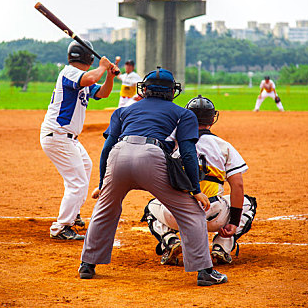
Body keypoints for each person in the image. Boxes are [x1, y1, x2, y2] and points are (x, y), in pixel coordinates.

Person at [79, 68, 228, 287]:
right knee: (191, 211)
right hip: (152, 157)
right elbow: (187, 153)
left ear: (145, 89)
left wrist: (102, 184)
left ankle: (87, 265)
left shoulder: (123, 111)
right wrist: (195, 190)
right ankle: (204, 272)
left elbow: (107, 148)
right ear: (171, 91)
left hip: (119, 155)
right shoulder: (183, 114)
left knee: (105, 208)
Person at [142, 95, 257, 266]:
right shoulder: (223, 145)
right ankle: (222, 246)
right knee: (249, 203)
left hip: (177, 214)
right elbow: (237, 186)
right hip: (213, 214)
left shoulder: (173, 144)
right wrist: (233, 222)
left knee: (151, 207)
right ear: (212, 119)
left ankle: (170, 241)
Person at [40, 40, 119, 240]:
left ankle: (73, 214)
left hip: (68, 138)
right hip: (58, 135)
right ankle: (60, 227)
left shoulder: (82, 78)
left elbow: (103, 92)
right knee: (78, 182)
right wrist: (102, 66)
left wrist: (108, 76)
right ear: (88, 58)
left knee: (85, 167)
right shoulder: (69, 73)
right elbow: (90, 78)